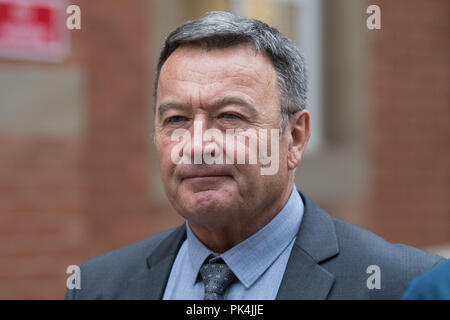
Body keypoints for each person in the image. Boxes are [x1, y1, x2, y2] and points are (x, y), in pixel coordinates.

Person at [65, 11, 443, 300]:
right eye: (177, 119)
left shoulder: (404, 285)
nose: (197, 144)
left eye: (230, 117)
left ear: (295, 138)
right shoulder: (98, 287)